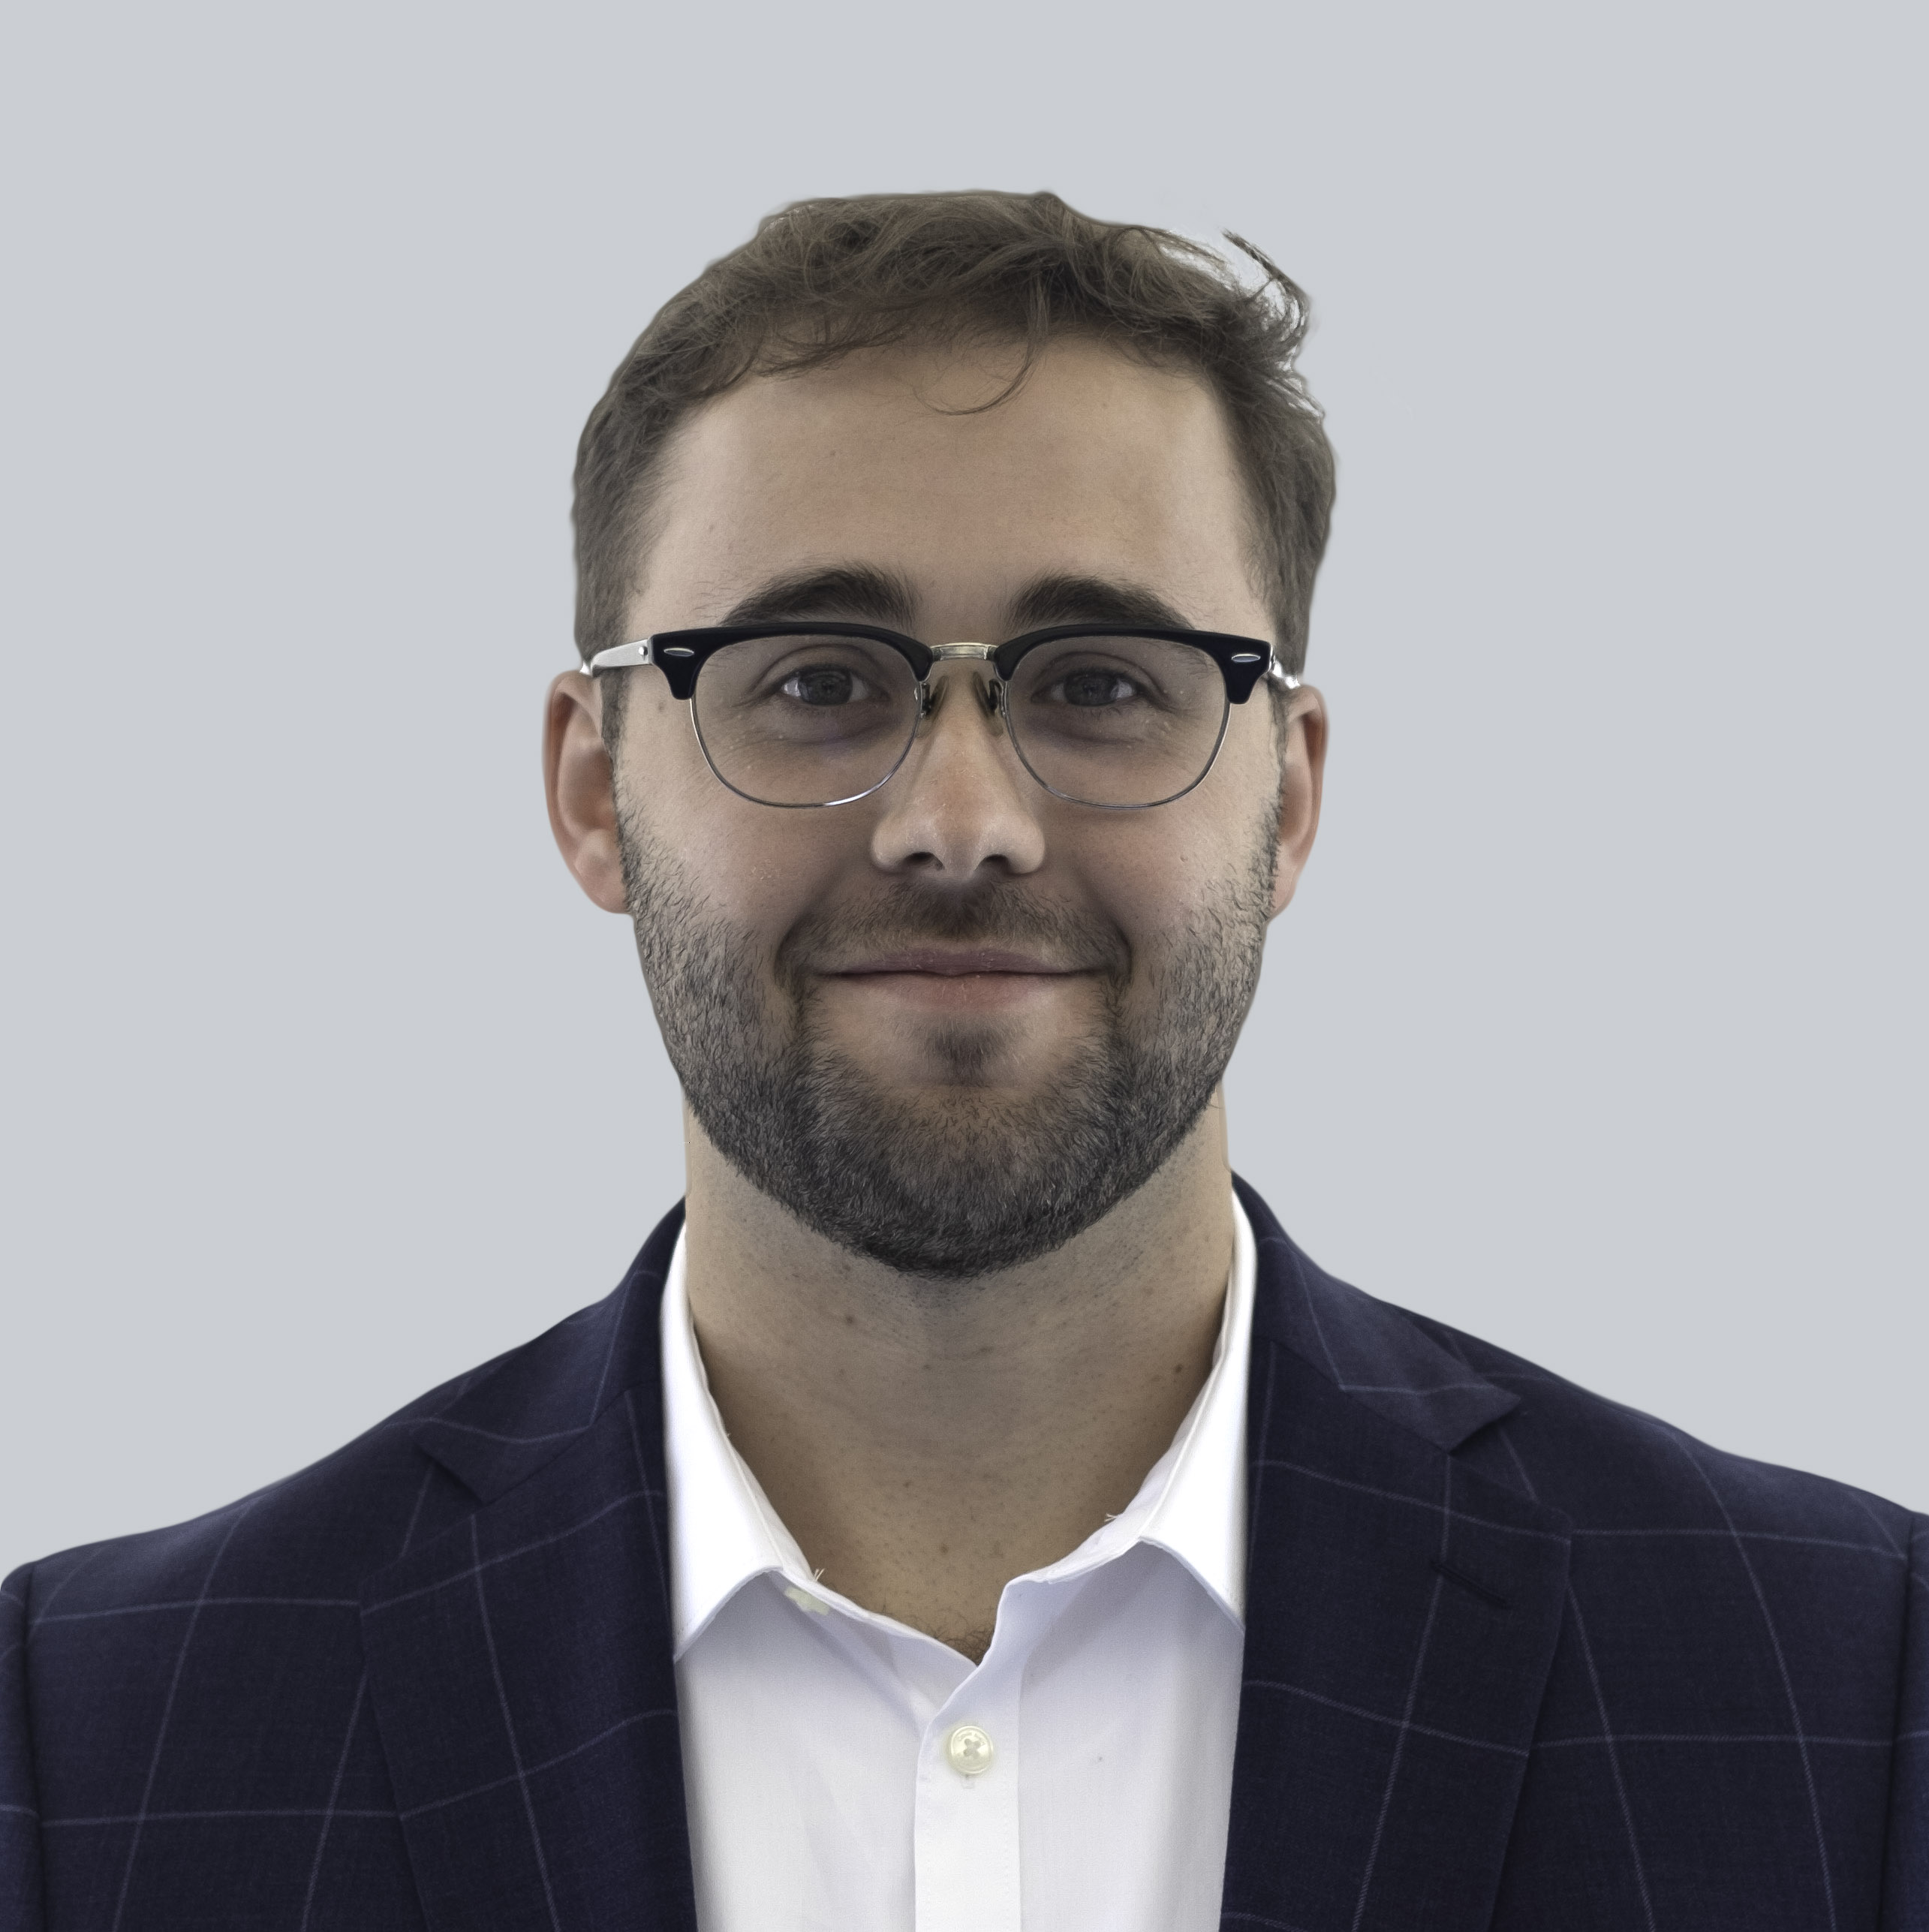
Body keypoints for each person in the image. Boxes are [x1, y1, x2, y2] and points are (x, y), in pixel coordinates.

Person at [1, 190, 1921, 1932]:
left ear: (1287, 800)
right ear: (594, 792)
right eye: (815, 681)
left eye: (1101, 686)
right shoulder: (95, 1740)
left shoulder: (1844, 1692)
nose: (962, 824)